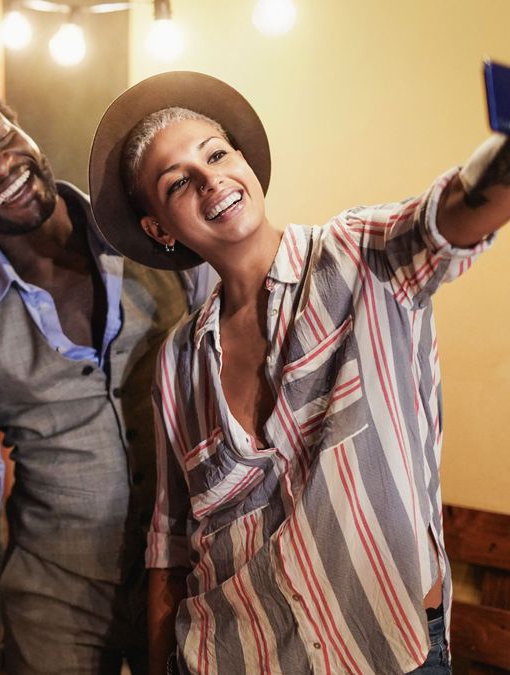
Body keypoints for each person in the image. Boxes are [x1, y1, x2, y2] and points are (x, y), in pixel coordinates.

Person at [89, 70, 510, 674]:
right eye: (179, 181)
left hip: (388, 653)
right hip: (231, 655)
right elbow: (171, 538)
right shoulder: (180, 358)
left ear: (245, 163)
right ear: (158, 227)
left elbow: (454, 214)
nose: (211, 180)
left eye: (216, 154)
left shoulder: (358, 256)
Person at [0, 73, 208, 674]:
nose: (0, 165)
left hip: (200, 572)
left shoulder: (157, 233)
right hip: (56, 598)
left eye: (0, 134)